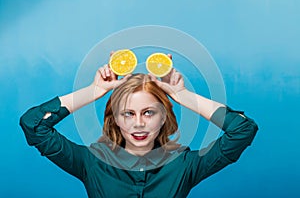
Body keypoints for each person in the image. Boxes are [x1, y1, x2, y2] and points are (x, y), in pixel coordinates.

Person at [20, 54, 258, 198]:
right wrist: (94, 91)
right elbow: (34, 125)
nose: (139, 123)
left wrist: (183, 95)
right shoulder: (91, 162)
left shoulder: (185, 165)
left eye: (148, 112)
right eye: (128, 114)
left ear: (163, 117)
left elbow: (242, 130)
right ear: (115, 119)